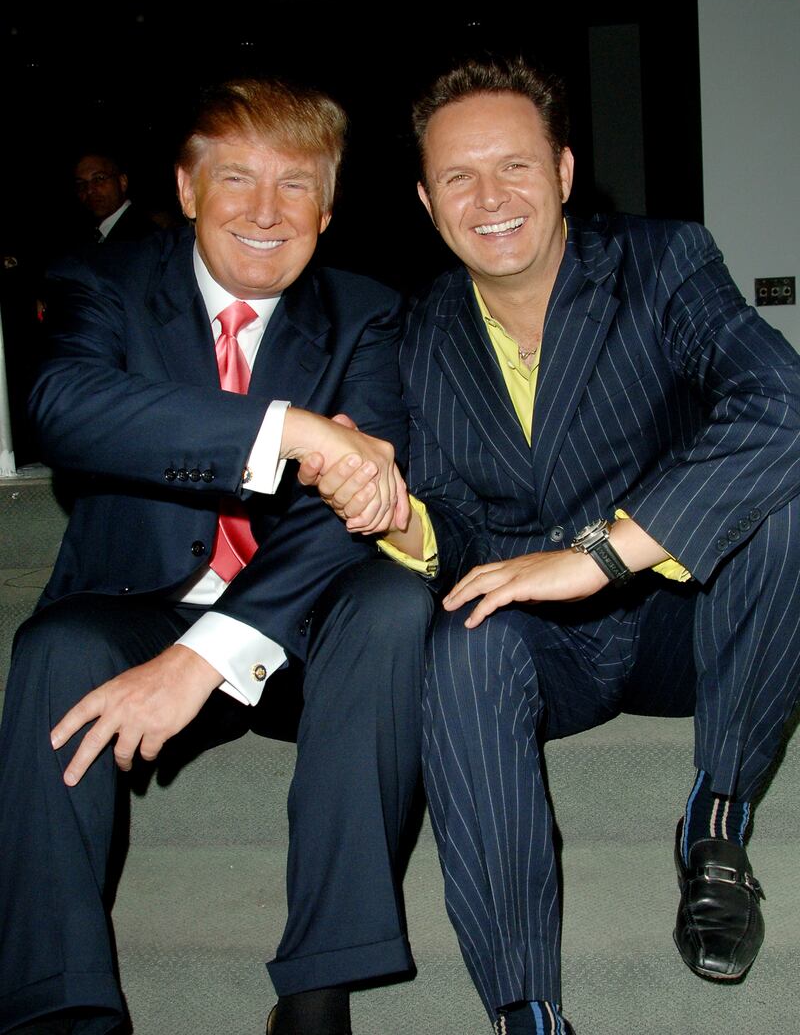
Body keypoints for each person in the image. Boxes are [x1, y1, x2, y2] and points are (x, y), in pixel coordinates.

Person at [307, 58, 800, 1034]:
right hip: (546, 648)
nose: (489, 198)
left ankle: (715, 826)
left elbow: (779, 400)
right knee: (460, 637)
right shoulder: (418, 333)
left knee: (779, 498)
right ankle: (524, 1009)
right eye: (458, 177)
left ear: (564, 171)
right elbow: (453, 525)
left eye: (514, 166)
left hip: (680, 619)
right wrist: (390, 512)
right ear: (426, 201)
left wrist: (603, 553)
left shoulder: (662, 262)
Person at [0, 78, 432, 1035]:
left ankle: (316, 998)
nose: (266, 211)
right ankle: (60, 1011)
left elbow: (351, 512)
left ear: (327, 207)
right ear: (188, 188)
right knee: (53, 652)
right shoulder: (104, 282)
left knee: (393, 606)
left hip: (295, 631)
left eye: (295, 184)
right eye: (237, 178)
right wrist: (290, 430)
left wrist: (205, 655)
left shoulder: (366, 312)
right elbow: (63, 408)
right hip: (138, 601)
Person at [73, 151, 158, 242]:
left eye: (99, 178)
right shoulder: (82, 235)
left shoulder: (145, 235)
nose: (89, 190)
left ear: (122, 182)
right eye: (81, 183)